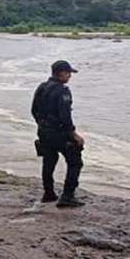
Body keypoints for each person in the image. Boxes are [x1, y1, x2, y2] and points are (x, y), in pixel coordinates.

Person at [31, 60, 85, 208]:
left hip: (43, 132)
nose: (69, 76)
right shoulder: (62, 91)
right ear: (61, 73)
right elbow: (65, 116)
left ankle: (48, 193)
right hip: (59, 133)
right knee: (75, 162)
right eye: (68, 73)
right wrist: (73, 135)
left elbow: (33, 110)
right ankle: (67, 196)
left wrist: (43, 126)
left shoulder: (42, 87)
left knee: (49, 161)